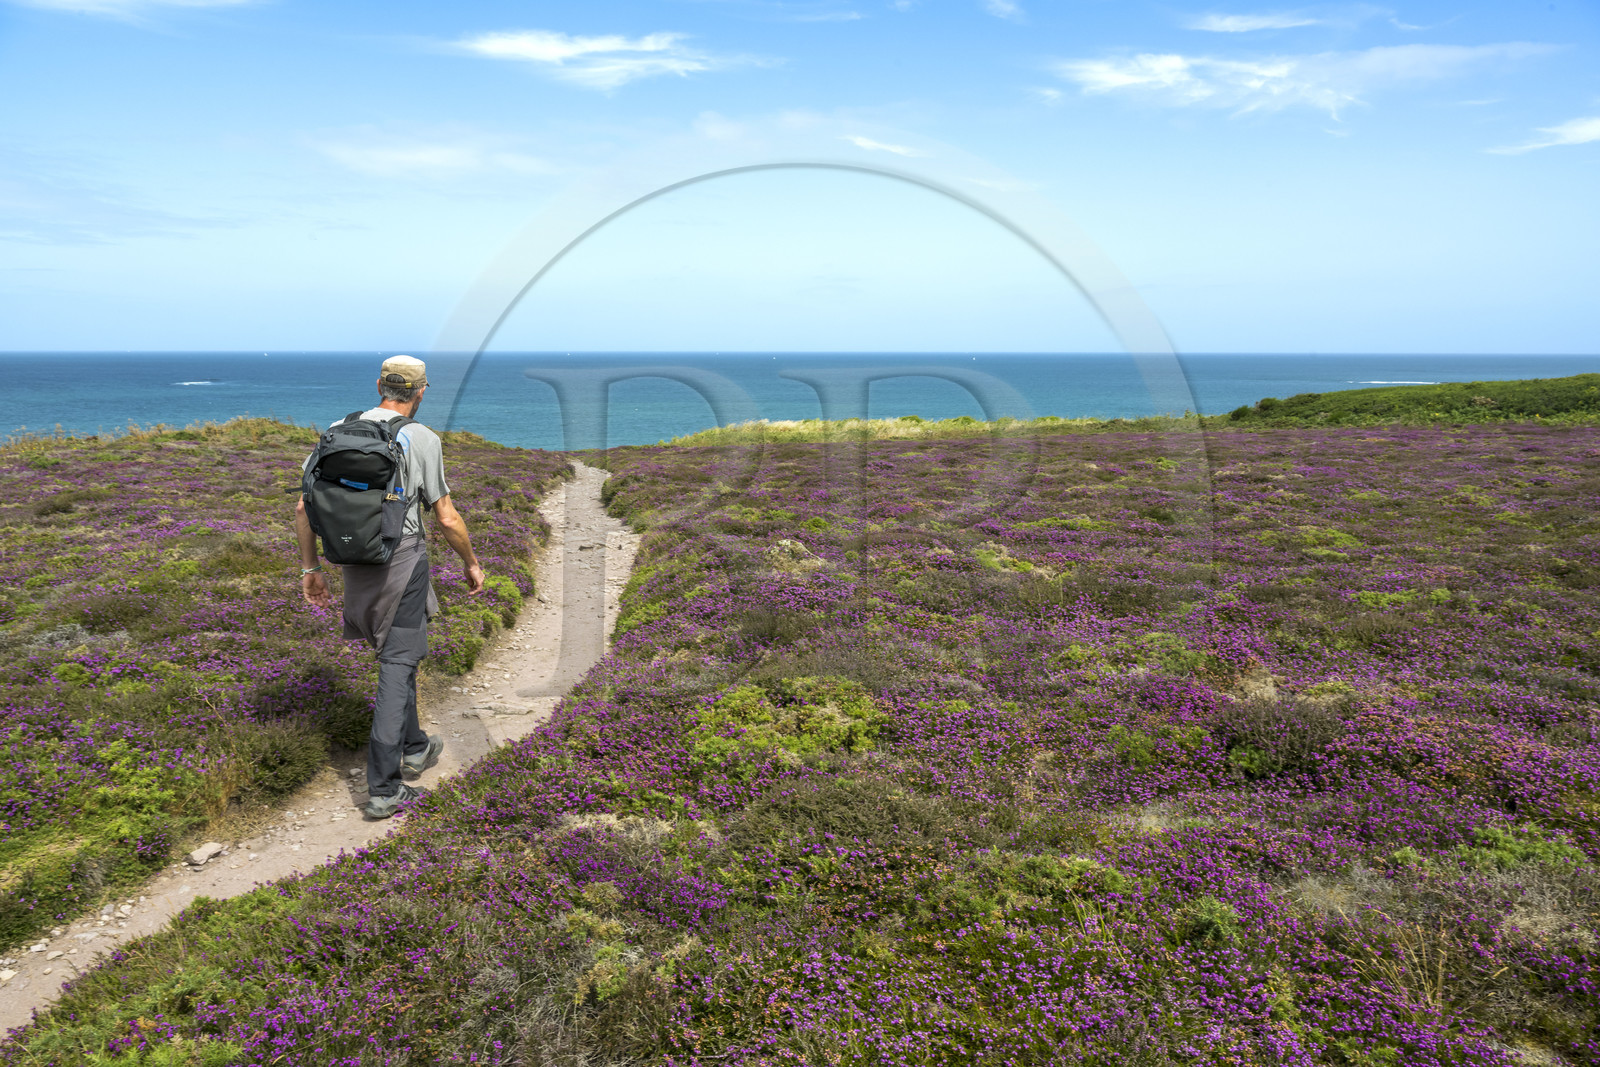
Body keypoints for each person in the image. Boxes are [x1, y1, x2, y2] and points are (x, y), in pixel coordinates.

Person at [295, 355, 486, 819]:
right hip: (401, 561)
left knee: (398, 654)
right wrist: (472, 562)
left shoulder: (338, 429)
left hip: (351, 561)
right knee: (398, 663)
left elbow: (304, 509)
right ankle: (383, 787)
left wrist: (310, 568)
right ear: (421, 391)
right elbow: (446, 516)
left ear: (380, 384)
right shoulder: (420, 438)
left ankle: (416, 745)